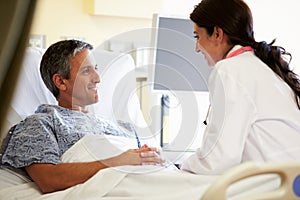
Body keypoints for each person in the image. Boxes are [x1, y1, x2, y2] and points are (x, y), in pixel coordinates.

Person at [0, 40, 163, 193]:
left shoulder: (122, 127)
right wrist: (118, 161)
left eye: (96, 68)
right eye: (86, 71)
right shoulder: (39, 124)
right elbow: (49, 179)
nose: (98, 79)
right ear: (61, 82)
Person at [181, 0, 300, 174]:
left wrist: (182, 166)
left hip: (274, 187)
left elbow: (217, 161)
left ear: (217, 34)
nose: (196, 48)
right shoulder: (261, 66)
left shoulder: (229, 69)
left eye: (197, 37)